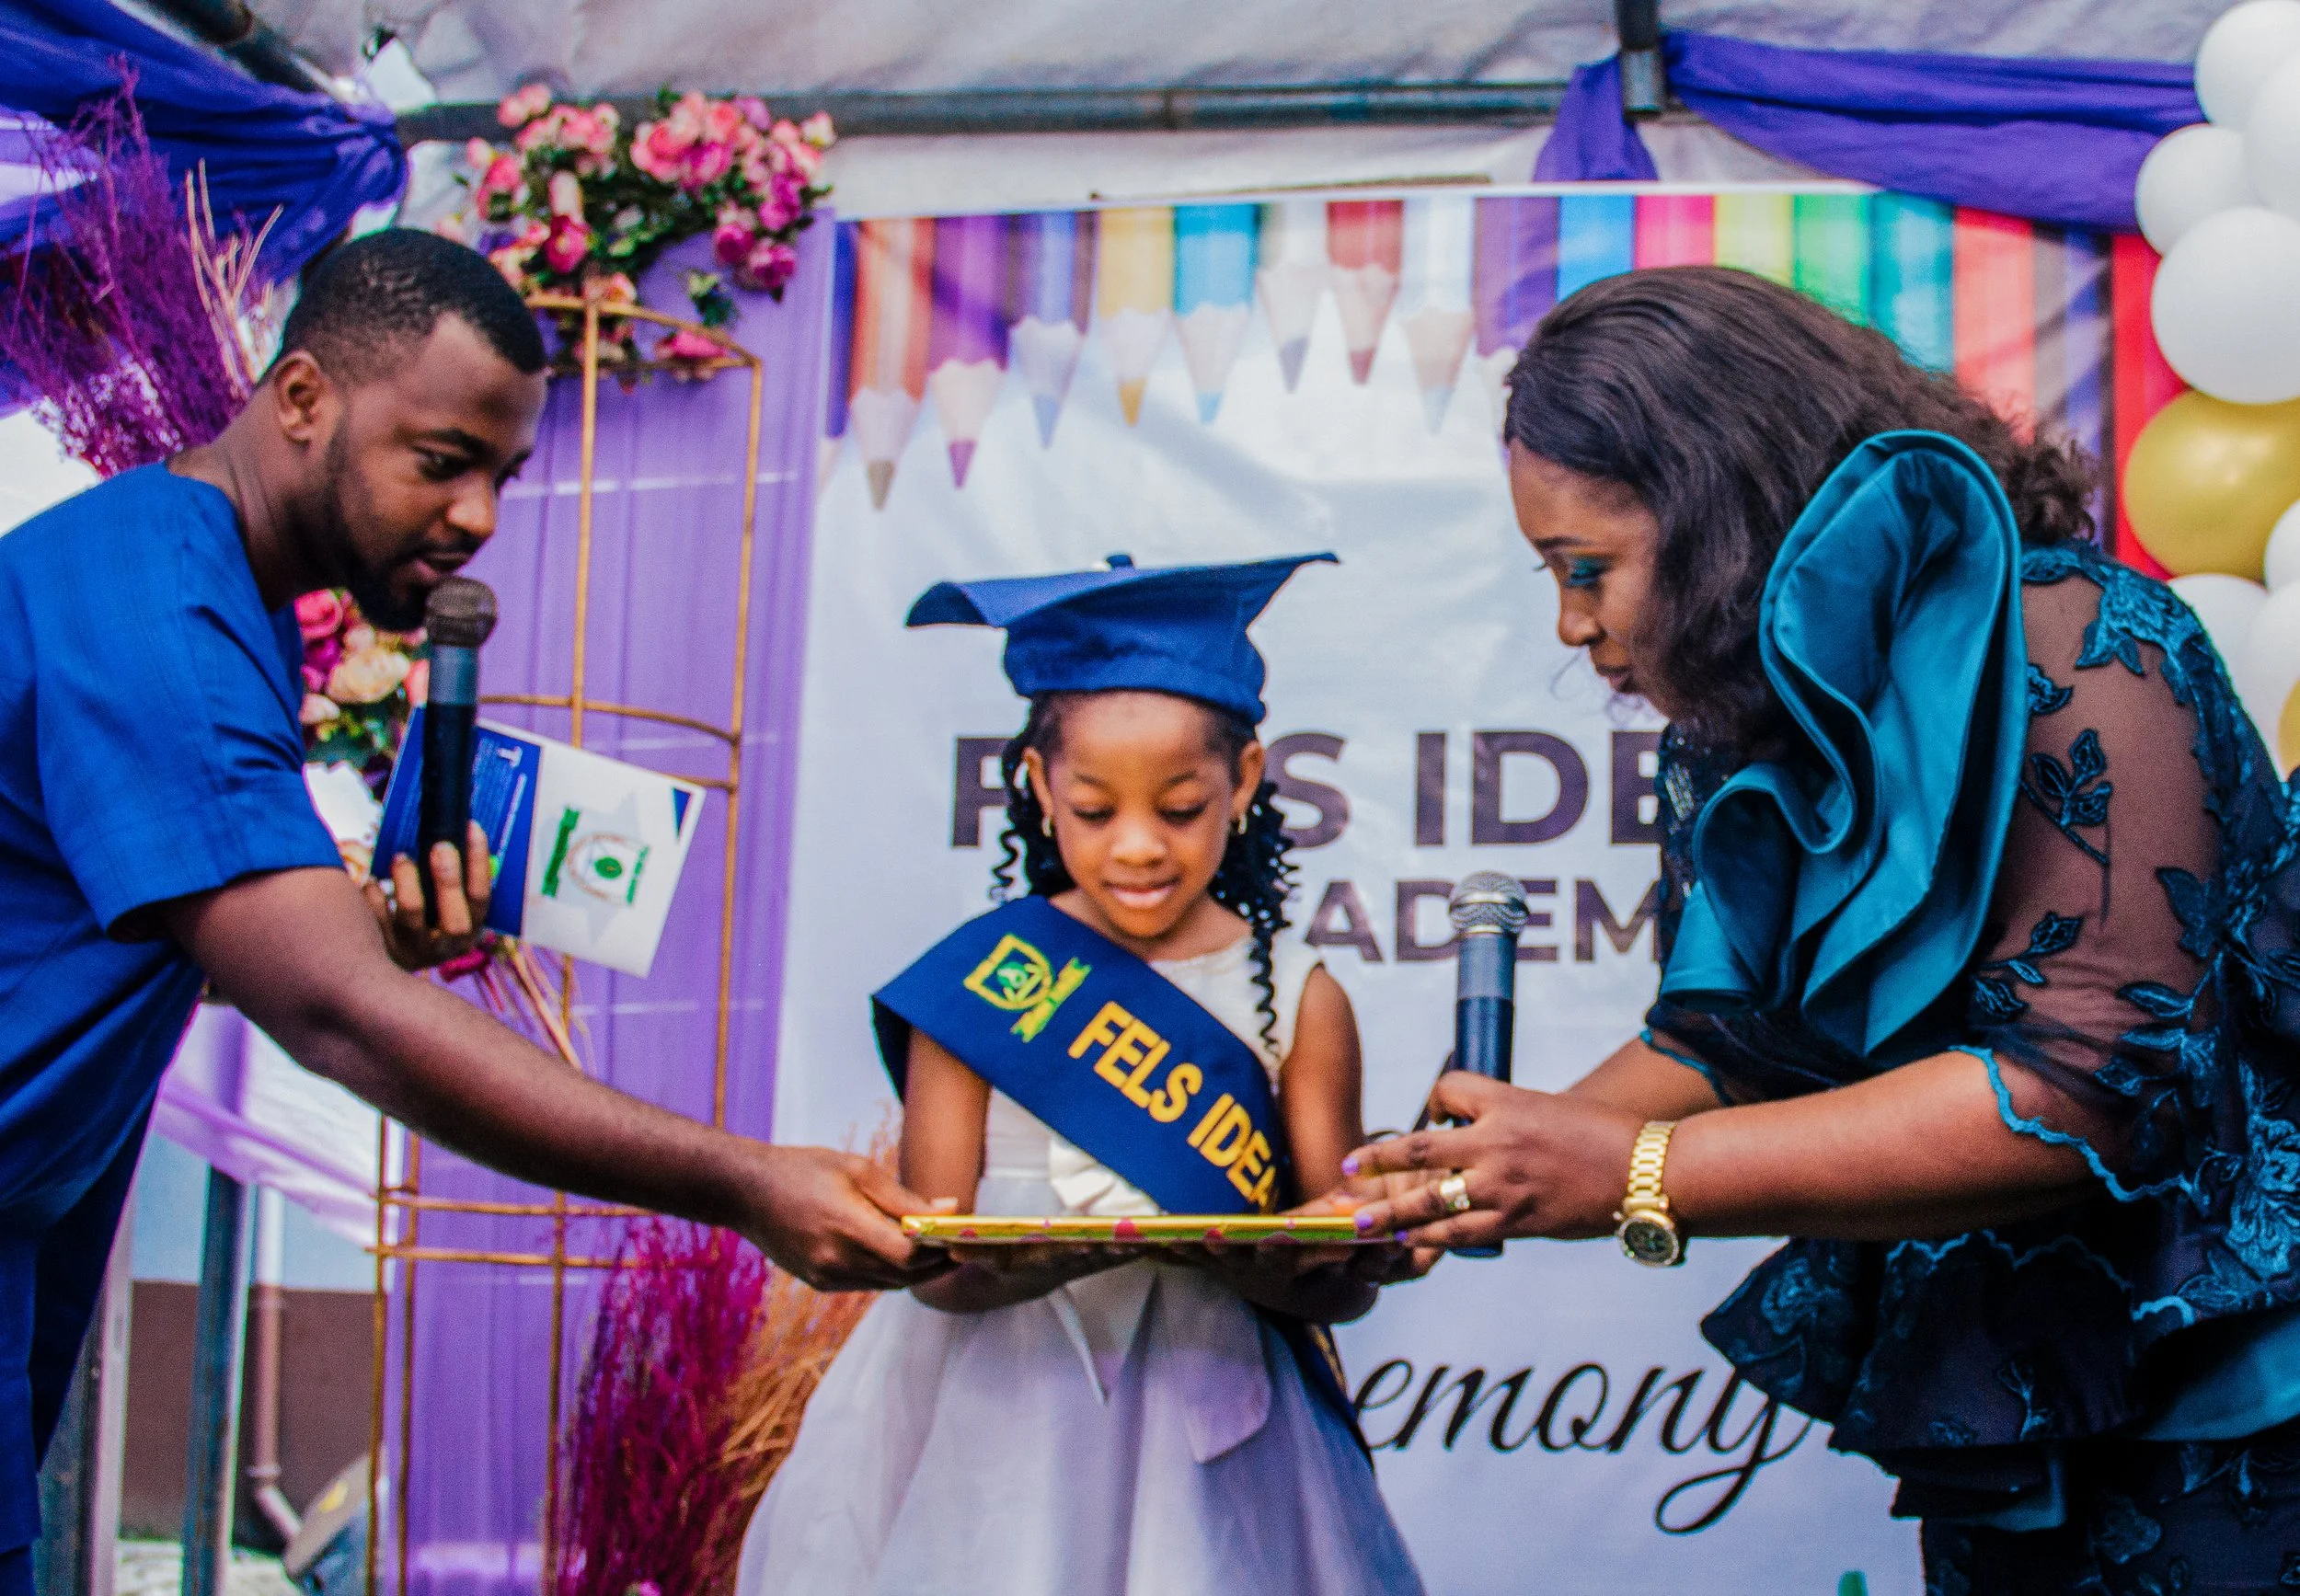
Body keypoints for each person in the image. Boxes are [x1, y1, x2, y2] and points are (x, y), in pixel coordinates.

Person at [0, 228, 938, 1586]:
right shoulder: (166, 621)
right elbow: (337, 1016)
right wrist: (740, 1178)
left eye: (502, 474)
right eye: (440, 460)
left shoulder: (215, 593)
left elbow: (123, 933)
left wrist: (363, 940)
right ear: (304, 398)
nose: (481, 516)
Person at [1345, 264, 2300, 1592]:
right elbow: (1733, 1040)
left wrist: (1628, 1175)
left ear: (1718, 509)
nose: (1572, 626)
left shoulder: (2077, 642)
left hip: (2233, 1412)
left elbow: (2087, 1093)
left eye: (1587, 569)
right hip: (2013, 1416)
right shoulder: (1751, 743)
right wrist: (1467, 1172)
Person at [735, 554, 1424, 1596]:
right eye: (1095, 810)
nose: (1139, 847)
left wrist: (1288, 1251)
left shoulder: (1300, 993)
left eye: (1181, 806)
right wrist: (1040, 1258)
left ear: (1241, 782)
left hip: (1213, 1412)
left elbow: (1336, 1273)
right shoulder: (982, 983)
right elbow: (939, 1262)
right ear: (1035, 784)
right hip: (991, 1408)